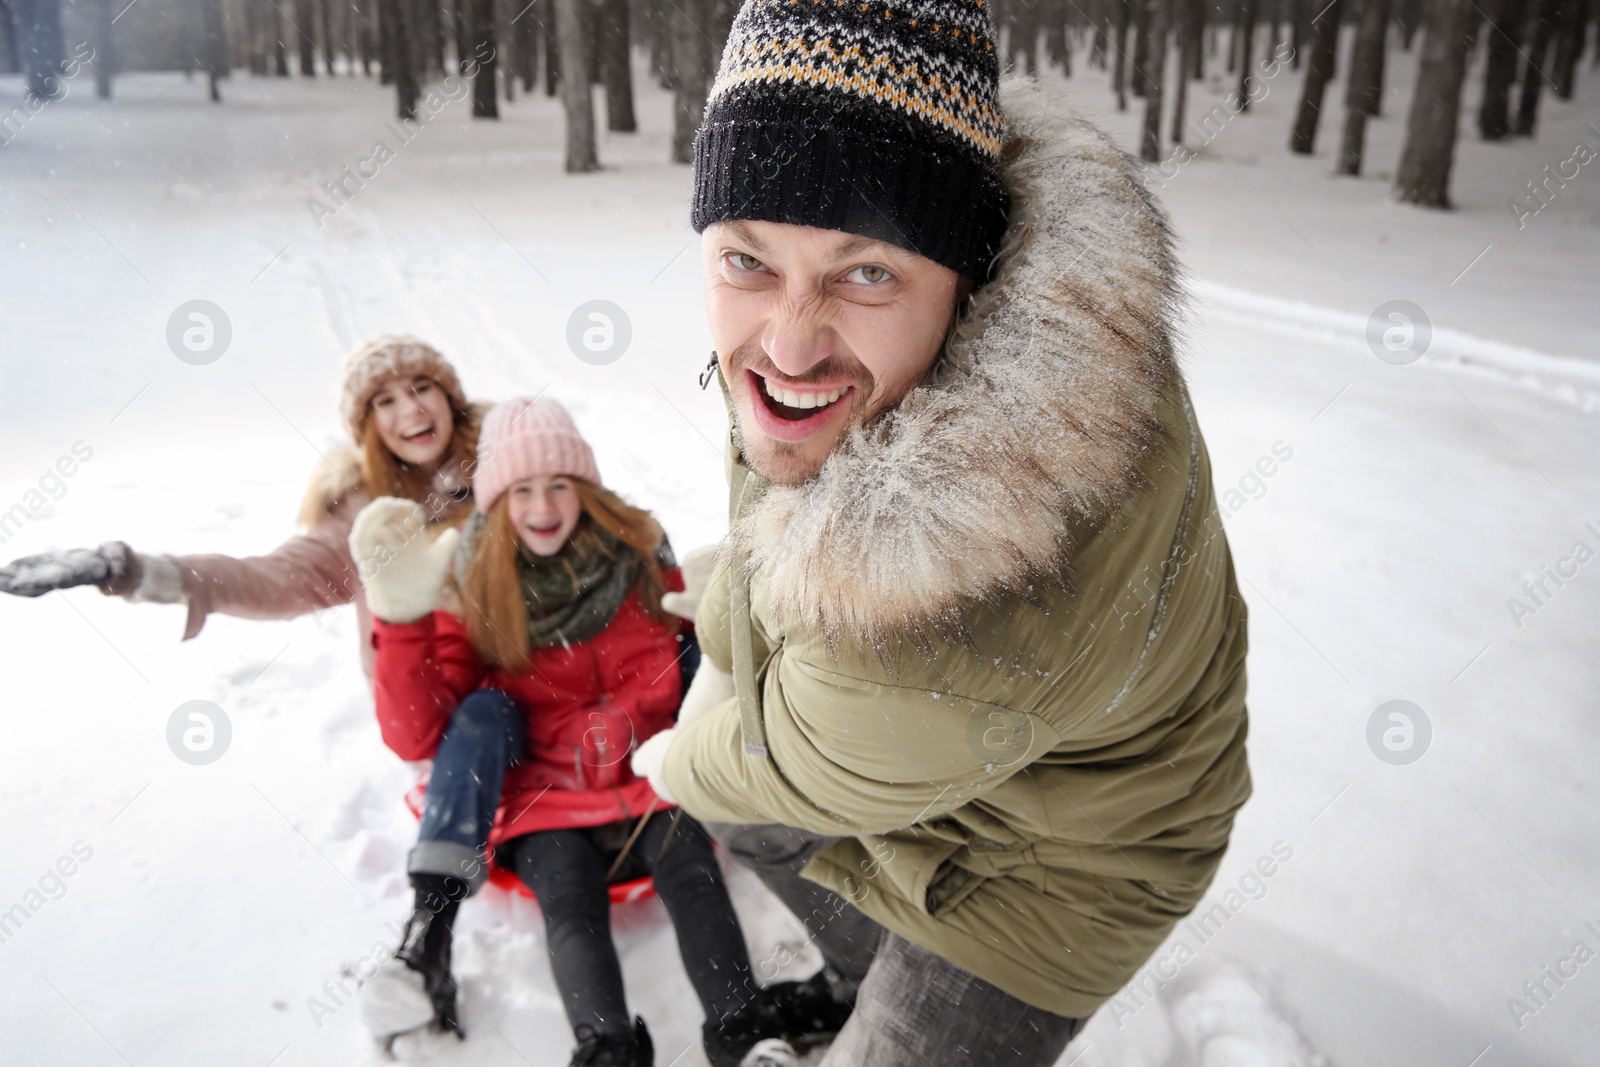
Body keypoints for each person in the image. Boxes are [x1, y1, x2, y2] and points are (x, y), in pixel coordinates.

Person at [629, 1, 1254, 1063]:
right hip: (957, 758)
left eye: (864, 270)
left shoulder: (964, 588)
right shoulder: (1000, 338)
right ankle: (859, 977)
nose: (785, 339)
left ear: (967, 276)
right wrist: (745, 595)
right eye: (746, 258)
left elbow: (790, 761)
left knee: (726, 791)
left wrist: (670, 755)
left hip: (1063, 869)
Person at [351, 398, 843, 1067]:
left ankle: (747, 1033)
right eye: (521, 489)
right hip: (549, 801)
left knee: (695, 876)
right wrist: (403, 619)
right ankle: (606, 1048)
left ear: (585, 486)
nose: (543, 505)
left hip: (650, 779)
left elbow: (682, 659)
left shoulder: (638, 552)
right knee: (570, 905)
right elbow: (419, 737)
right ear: (498, 501)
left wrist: (717, 626)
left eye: (558, 484)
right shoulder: (475, 581)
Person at [0, 334, 483, 681]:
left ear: (448, 395)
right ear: (368, 425)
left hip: (529, 685)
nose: (412, 411)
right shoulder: (363, 513)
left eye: (422, 388)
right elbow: (277, 578)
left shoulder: (509, 471)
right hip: (424, 707)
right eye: (385, 401)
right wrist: (142, 572)